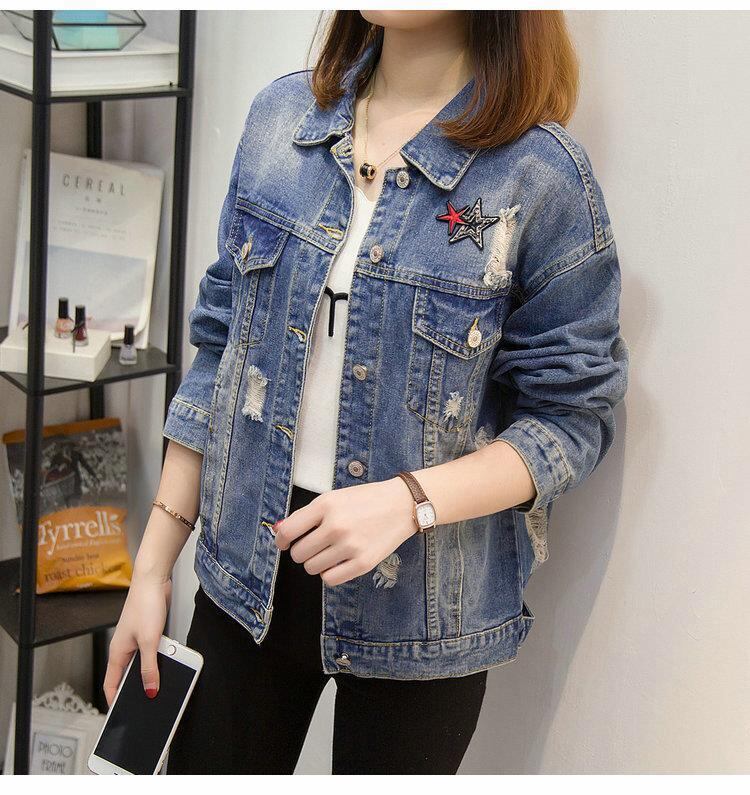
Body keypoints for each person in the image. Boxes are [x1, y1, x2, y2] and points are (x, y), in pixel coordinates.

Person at [104, 10, 629, 774]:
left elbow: (570, 419)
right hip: (245, 574)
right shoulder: (282, 119)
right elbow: (221, 347)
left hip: (422, 612)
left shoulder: (538, 177)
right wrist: (152, 568)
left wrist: (408, 502)